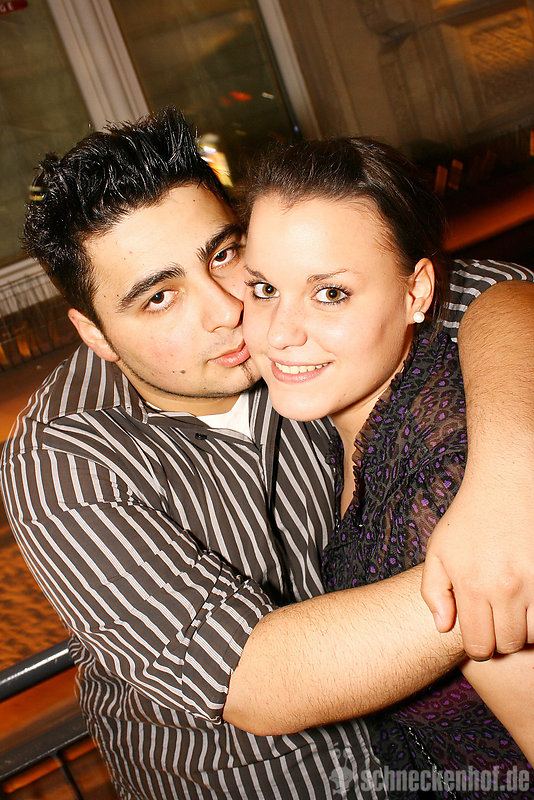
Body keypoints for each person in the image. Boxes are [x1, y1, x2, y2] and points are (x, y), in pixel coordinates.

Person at [1, 108, 533, 800]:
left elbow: (497, 293)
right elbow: (254, 679)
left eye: (224, 255)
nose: (227, 310)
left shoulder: (293, 336)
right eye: (159, 297)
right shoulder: (67, 460)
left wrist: (511, 474)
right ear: (96, 334)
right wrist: (492, 570)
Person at [242, 136, 534, 797]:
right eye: (264, 288)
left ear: (416, 292)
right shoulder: (342, 427)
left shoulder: (451, 483)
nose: (280, 332)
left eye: (331, 293)